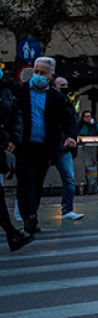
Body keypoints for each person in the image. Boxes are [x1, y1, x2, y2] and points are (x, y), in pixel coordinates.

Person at [14, 57, 77, 235]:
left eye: (43, 73)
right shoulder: (21, 92)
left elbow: (68, 119)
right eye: (37, 72)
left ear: (51, 76)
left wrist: (71, 136)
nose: (39, 76)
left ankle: (32, 214)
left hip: (44, 147)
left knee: (37, 182)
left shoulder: (56, 97)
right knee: (25, 180)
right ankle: (29, 217)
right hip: (24, 145)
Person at [0, 66, 33, 253]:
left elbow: (15, 116)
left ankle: (12, 234)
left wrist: (13, 138)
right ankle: (12, 233)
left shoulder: (7, 88)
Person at [50, 77, 83, 220]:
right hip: (50, 146)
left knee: (69, 179)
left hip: (63, 147)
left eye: (66, 85)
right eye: (62, 85)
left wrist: (71, 138)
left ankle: (67, 210)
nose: (65, 87)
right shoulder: (50, 102)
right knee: (33, 180)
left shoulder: (67, 103)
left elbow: (71, 123)